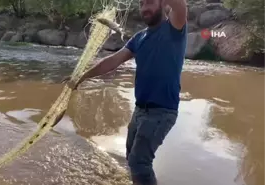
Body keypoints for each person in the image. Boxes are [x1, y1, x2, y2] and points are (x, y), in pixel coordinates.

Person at [64, 0, 187, 184]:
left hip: (162, 112)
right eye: (141, 4)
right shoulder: (139, 38)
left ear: (163, 4)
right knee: (131, 157)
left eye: (150, 3)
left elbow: (180, 6)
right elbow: (113, 61)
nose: (145, 8)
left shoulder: (174, 29)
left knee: (139, 163)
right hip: (139, 111)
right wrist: (82, 77)